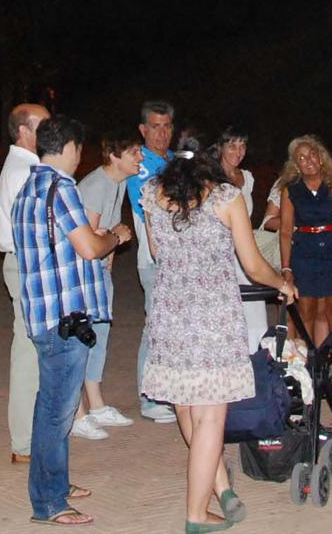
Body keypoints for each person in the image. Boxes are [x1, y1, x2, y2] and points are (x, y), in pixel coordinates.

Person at [140, 137, 296, 533]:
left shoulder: (151, 193)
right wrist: (282, 283)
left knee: (188, 405)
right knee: (211, 417)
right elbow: (253, 264)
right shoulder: (226, 197)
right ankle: (195, 516)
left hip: (171, 314)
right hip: (211, 317)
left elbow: (158, 252)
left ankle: (220, 489)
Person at [13, 115, 132, 526]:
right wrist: (115, 237)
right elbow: (88, 247)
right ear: (69, 148)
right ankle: (48, 503)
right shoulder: (60, 189)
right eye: (79, 149)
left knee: (53, 408)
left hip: (44, 312)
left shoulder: (28, 187)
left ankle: (55, 485)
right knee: (55, 412)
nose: (80, 157)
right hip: (63, 317)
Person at [277, 135, 332, 397]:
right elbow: (284, 231)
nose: (308, 161)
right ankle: (309, 376)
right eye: (301, 158)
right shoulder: (290, 189)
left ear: (321, 156)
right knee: (306, 316)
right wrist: (287, 268)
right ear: (295, 165)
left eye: (311, 154)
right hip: (306, 255)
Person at [71, 131, 141, 440]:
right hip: (84, 273)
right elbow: (86, 237)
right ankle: (77, 413)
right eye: (134, 153)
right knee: (81, 339)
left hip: (100, 270)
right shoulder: (97, 185)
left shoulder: (119, 182)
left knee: (99, 334)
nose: (140, 158)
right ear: (115, 157)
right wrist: (114, 235)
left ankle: (96, 404)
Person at [0, 102, 50, 465]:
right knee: (29, 355)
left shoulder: (27, 167)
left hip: (25, 264)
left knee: (35, 352)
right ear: (24, 131)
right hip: (27, 265)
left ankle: (32, 437)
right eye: (43, 125)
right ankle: (25, 442)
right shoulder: (24, 171)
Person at [125, 99, 177, 423]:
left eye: (167, 126)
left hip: (178, 260)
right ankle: (149, 397)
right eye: (155, 126)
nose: (162, 133)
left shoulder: (173, 160)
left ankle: (166, 390)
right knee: (155, 327)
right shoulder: (141, 165)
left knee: (170, 328)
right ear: (143, 129)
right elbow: (153, 212)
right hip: (155, 259)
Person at [213, 126, 270, 351]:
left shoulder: (247, 177)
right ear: (220, 148)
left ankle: (256, 362)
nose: (238, 151)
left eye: (242, 146)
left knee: (255, 311)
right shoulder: (210, 178)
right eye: (232, 146)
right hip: (219, 253)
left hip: (244, 250)